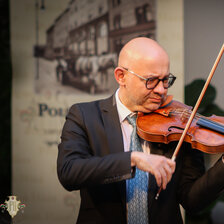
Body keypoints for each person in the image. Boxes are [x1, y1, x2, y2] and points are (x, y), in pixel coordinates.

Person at [57, 37, 224, 224]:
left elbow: (192, 200)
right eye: (151, 81)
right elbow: (69, 172)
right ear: (121, 76)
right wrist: (133, 159)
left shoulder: (181, 125)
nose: (161, 90)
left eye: (166, 80)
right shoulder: (84, 116)